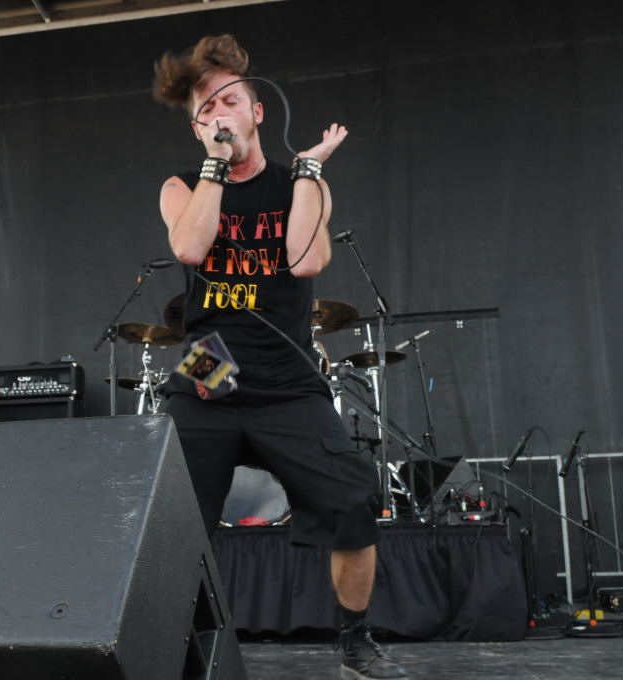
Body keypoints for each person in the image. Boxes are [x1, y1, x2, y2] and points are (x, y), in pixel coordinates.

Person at [153, 35, 406, 679]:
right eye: (206, 109)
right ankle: (176, 648)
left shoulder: (303, 183)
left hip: (287, 369)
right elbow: (190, 247)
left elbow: (307, 260)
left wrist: (309, 173)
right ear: (196, 127)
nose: (220, 114)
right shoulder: (182, 185)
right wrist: (215, 165)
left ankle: (354, 641)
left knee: (351, 498)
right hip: (209, 361)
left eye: (230, 100)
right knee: (170, 519)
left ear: (257, 111)